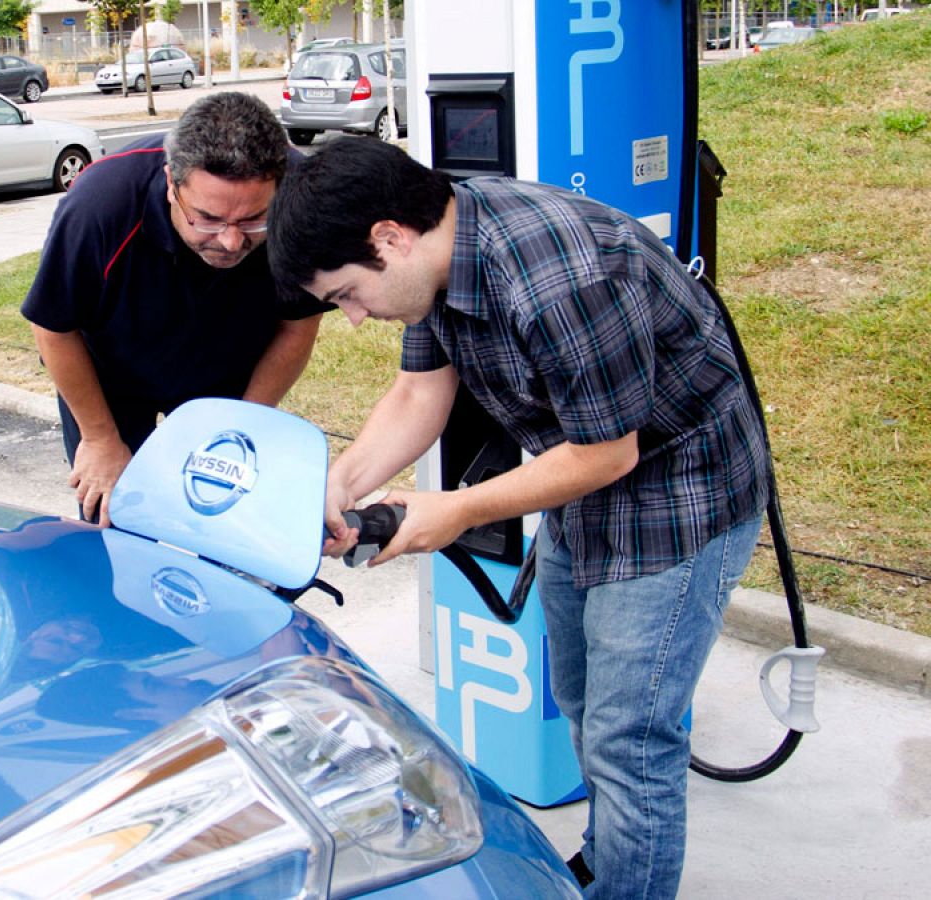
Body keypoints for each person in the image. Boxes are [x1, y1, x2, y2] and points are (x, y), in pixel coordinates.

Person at [268, 138, 769, 899]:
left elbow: (608, 454)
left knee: (629, 740)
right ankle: (612, 859)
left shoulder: (560, 276)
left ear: (387, 238)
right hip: (582, 483)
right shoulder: (435, 260)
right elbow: (417, 395)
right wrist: (337, 487)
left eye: (344, 294)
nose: (353, 318)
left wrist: (455, 511)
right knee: (580, 697)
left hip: (680, 491)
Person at [22, 92, 328, 525]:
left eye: (253, 220)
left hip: (228, 365)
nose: (230, 241)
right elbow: (53, 326)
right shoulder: (100, 204)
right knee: (117, 516)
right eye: (208, 219)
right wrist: (100, 439)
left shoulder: (304, 201)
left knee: (223, 520)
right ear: (171, 184)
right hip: (111, 375)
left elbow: (298, 325)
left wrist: (239, 427)